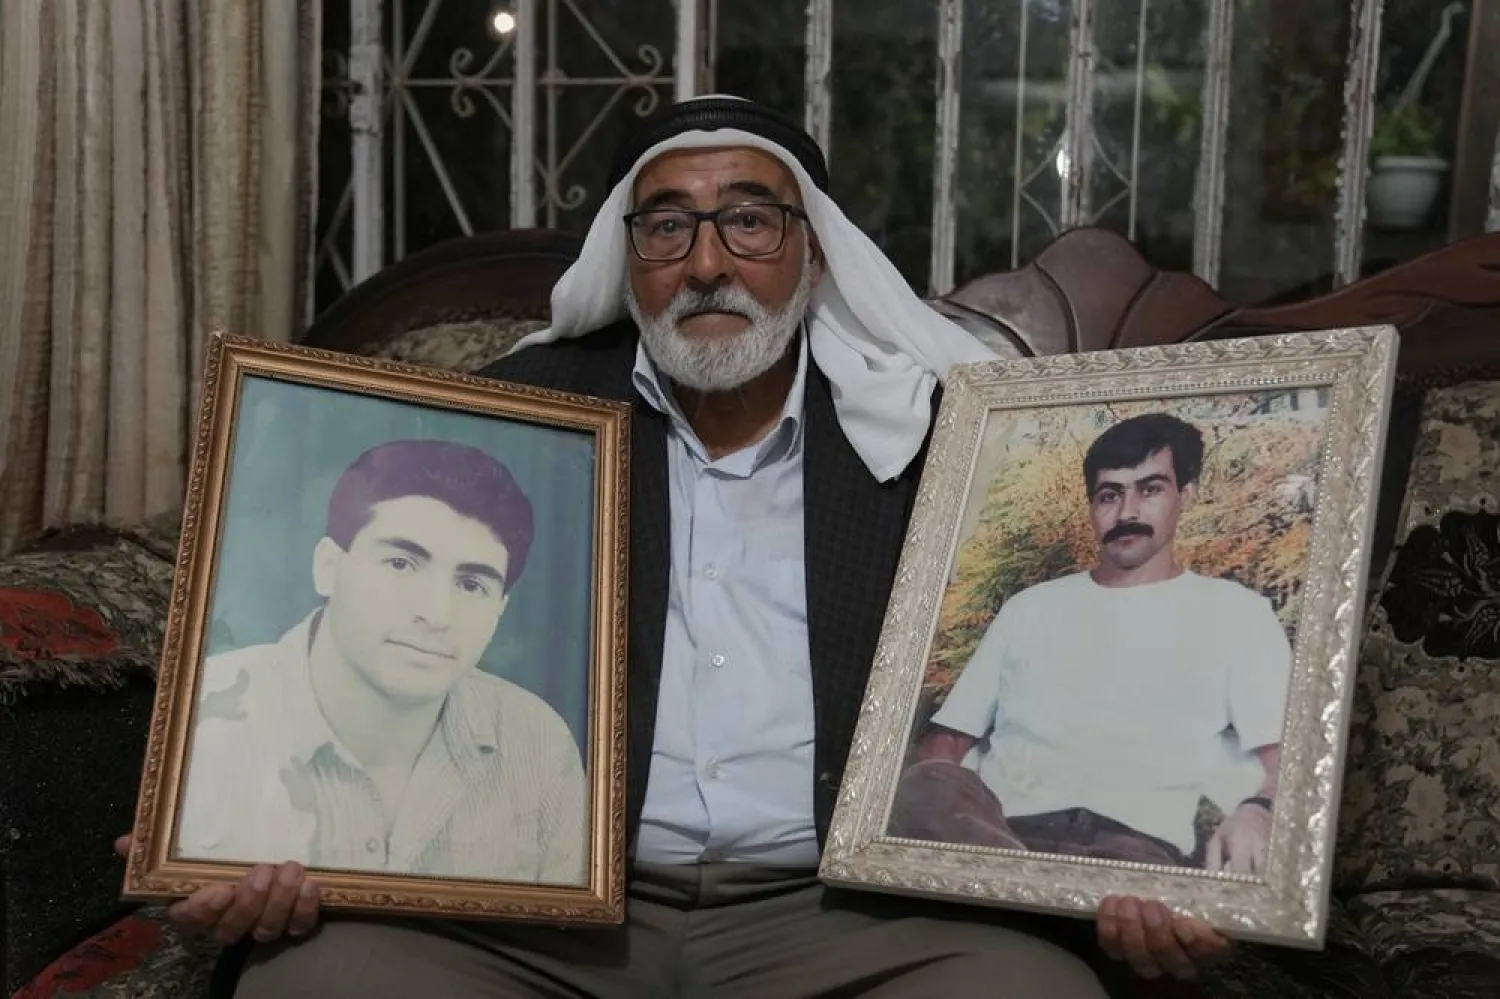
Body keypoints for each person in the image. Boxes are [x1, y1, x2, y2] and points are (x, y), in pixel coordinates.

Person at [116, 96, 1238, 992]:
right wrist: (228, 842)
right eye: (668, 226)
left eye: (749, 219)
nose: (709, 261)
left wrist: (1137, 873)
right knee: (323, 985)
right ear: (630, 254)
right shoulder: (519, 430)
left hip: (842, 916)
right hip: (536, 918)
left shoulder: (941, 444)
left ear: (812, 252)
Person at [173, 438, 587, 888]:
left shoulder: (539, 742)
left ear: (501, 608)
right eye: (401, 564)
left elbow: (561, 936)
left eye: (471, 585)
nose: (436, 615)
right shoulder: (205, 712)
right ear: (328, 567)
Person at [895, 413, 1292, 873]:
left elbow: (1284, 762)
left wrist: (1257, 811)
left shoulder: (1236, 613)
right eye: (1110, 495)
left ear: (1186, 494)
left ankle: (1020, 897)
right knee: (924, 784)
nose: (1127, 513)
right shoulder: (1029, 608)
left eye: (1150, 489)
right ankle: (1024, 892)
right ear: (1091, 506)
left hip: (1127, 849)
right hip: (994, 827)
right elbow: (947, 743)